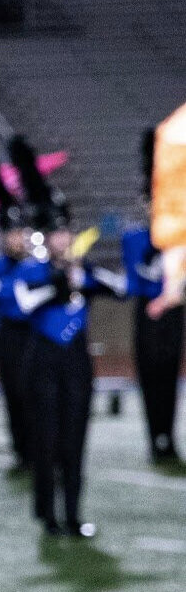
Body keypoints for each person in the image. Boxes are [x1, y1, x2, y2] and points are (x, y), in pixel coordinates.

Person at [9, 142, 121, 537]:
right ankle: (48, 513)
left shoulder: (81, 269)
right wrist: (57, 283)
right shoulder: (32, 272)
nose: (63, 238)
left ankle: (73, 512)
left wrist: (85, 278)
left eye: (66, 231)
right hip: (42, 362)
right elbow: (23, 304)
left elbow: (120, 288)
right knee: (47, 440)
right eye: (57, 233)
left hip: (76, 361)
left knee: (75, 440)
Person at [124, 130, 180, 463]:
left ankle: (168, 439)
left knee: (169, 378)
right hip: (146, 311)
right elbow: (137, 279)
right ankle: (153, 439)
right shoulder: (134, 238)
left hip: (172, 313)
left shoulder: (176, 239)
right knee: (149, 377)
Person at [0, 157, 35, 475]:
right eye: (12, 233)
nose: (17, 238)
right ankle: (20, 451)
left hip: (34, 336)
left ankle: (38, 449)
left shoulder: (31, 264)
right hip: (10, 338)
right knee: (13, 395)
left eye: (21, 232)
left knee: (36, 395)